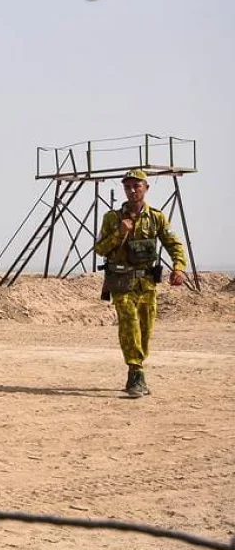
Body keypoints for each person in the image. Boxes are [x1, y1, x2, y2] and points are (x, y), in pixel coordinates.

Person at [93, 168, 187, 397]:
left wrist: (179, 267)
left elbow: (173, 243)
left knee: (145, 330)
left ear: (146, 187)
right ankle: (135, 371)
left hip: (146, 283)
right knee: (129, 323)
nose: (132, 190)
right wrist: (119, 233)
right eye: (127, 186)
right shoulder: (112, 218)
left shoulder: (156, 217)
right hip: (121, 282)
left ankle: (138, 370)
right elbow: (99, 249)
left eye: (136, 186)